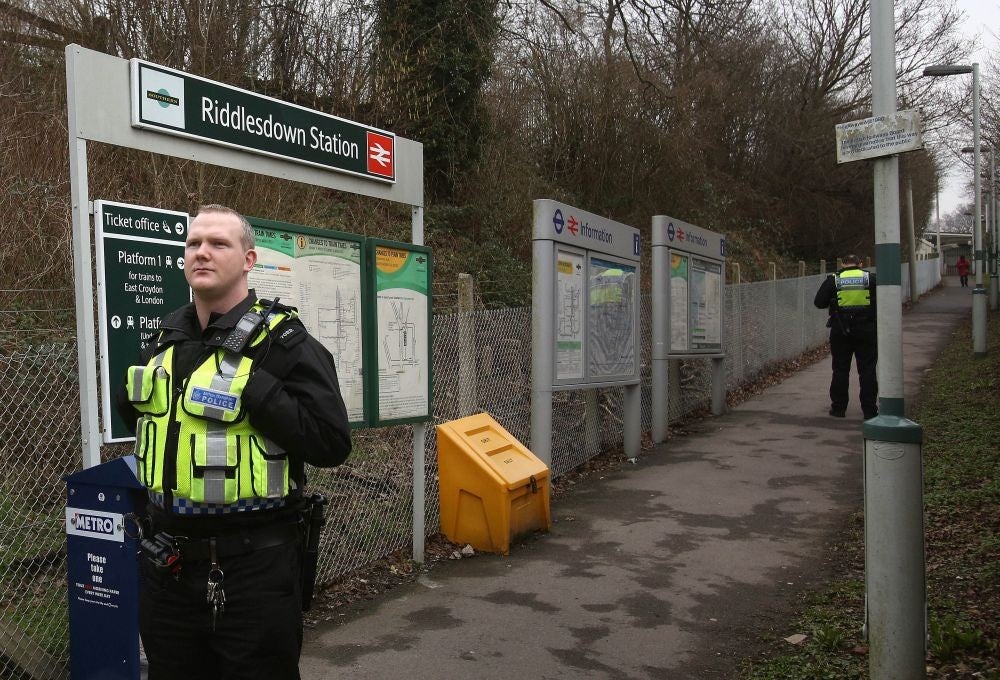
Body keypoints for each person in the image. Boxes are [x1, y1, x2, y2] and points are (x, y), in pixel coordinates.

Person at [117, 204, 351, 680]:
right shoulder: (166, 340)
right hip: (167, 571)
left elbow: (331, 442)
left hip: (255, 574)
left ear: (248, 259)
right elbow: (142, 418)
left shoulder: (284, 342)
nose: (202, 253)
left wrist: (258, 389)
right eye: (193, 244)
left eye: (218, 244)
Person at [814, 254, 878, 419]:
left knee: (840, 369)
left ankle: (838, 408)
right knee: (867, 370)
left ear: (843, 264)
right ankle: (870, 411)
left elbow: (819, 302)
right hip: (866, 330)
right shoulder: (870, 278)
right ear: (860, 263)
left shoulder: (834, 279)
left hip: (841, 331)